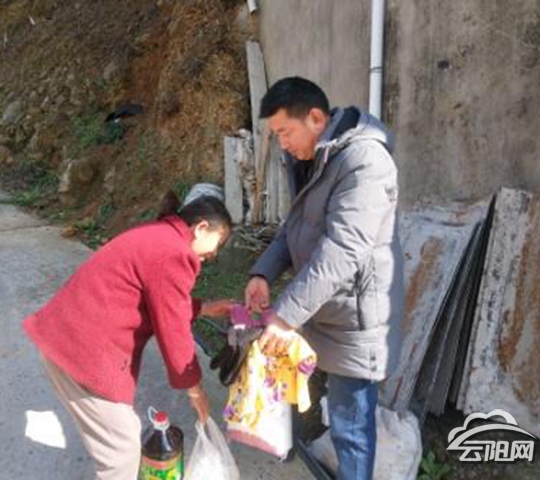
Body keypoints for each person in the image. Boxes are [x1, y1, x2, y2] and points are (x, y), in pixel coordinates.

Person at [245, 77, 404, 480]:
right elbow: (294, 227)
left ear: (316, 118)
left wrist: (285, 316)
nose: (282, 144)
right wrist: (263, 271)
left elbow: (342, 251)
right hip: (320, 306)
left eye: (285, 132)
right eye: (276, 135)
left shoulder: (364, 161)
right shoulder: (311, 157)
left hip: (354, 318)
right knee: (311, 400)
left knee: (351, 426)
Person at [23, 186, 234, 480]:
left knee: (121, 442)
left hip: (66, 340)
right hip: (80, 354)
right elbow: (172, 328)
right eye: (217, 243)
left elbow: (161, 301)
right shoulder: (175, 252)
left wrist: (205, 308)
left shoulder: (159, 235)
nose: (213, 254)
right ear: (201, 228)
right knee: (121, 453)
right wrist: (194, 388)